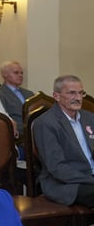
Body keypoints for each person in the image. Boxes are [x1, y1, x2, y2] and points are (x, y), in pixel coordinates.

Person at [33, 75, 94, 207]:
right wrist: (90, 180)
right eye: (72, 93)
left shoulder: (90, 118)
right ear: (56, 96)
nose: (78, 98)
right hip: (65, 183)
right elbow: (56, 167)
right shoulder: (45, 123)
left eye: (80, 93)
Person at [0, 61, 34, 136]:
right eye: (16, 73)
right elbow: (4, 119)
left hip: (35, 132)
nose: (20, 75)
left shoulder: (29, 94)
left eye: (21, 73)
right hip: (17, 135)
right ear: (4, 74)